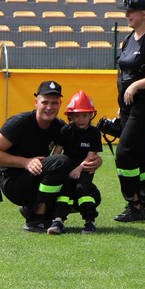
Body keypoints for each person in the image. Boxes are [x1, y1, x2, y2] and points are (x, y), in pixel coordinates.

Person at [0, 79, 85, 233]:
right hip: (13, 181)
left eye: (54, 103)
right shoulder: (20, 122)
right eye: (45, 102)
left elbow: (80, 149)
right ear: (36, 102)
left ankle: (39, 210)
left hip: (38, 176)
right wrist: (25, 162)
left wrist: (93, 160)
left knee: (89, 195)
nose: (49, 107)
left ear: (60, 104)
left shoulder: (60, 127)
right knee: (60, 161)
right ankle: (37, 218)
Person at [105, 0, 145, 224]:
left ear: (144, 14)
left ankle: (134, 203)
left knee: (125, 152)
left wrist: (136, 86)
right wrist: (121, 106)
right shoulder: (131, 37)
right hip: (130, 107)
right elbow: (124, 73)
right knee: (141, 154)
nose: (127, 15)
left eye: (131, 11)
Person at [47, 91, 103, 234]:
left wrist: (79, 169)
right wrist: (54, 168)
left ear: (91, 115)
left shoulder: (94, 133)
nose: (81, 119)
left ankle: (90, 221)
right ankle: (58, 221)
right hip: (66, 167)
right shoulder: (65, 130)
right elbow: (57, 153)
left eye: (85, 115)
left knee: (82, 188)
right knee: (64, 189)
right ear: (70, 116)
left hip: (85, 168)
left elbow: (91, 156)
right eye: (77, 116)